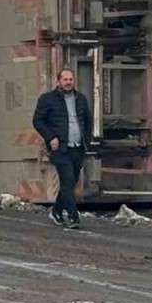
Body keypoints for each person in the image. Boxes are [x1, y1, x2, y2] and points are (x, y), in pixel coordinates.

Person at [32, 69, 93, 229]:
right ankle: (73, 216)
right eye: (65, 79)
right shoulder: (48, 99)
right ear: (58, 81)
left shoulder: (81, 99)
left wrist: (87, 139)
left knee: (70, 183)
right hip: (60, 149)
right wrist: (51, 137)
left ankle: (57, 211)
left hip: (78, 148)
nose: (68, 82)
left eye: (71, 79)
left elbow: (88, 120)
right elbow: (38, 121)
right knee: (67, 180)